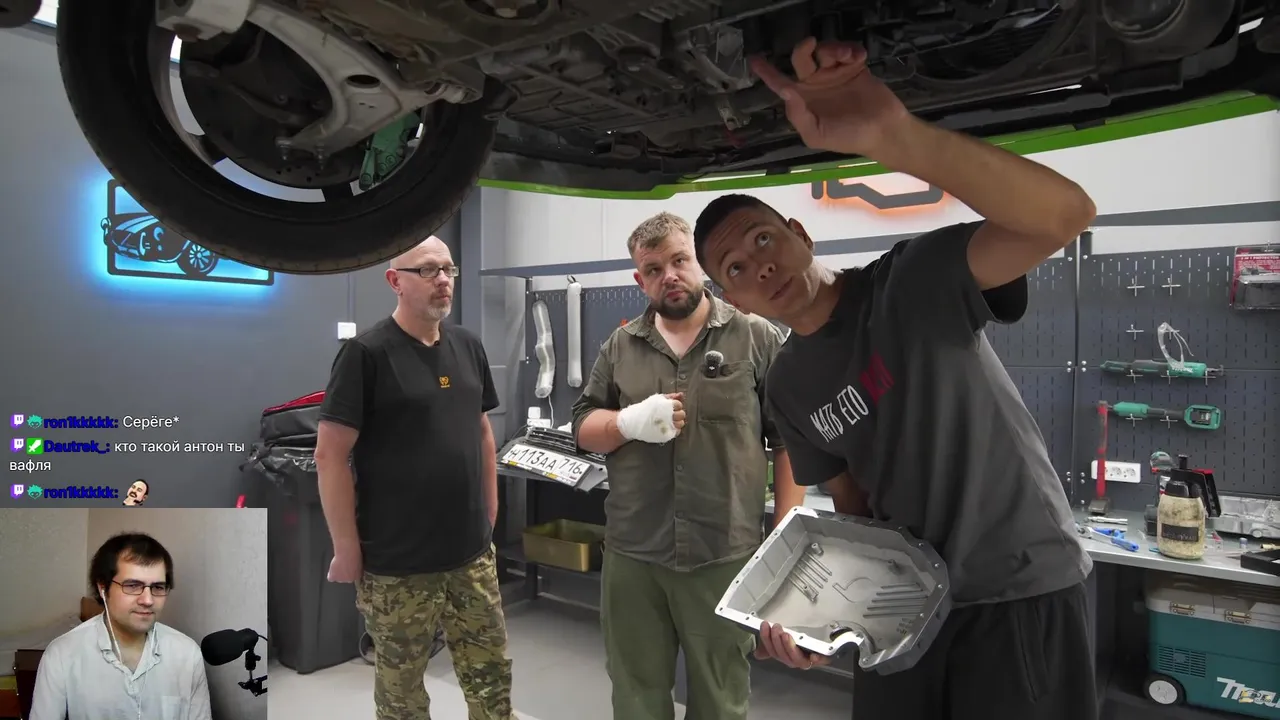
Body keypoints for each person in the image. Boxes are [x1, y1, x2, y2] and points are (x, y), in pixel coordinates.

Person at [691, 38, 1098, 720]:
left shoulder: (911, 282)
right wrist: (820, 618)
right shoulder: (788, 383)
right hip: (904, 613)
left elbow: (1065, 214)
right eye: (735, 268)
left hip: (1018, 590)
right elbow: (856, 516)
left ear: (799, 233)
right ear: (736, 300)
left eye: (762, 239)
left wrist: (897, 138)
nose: (758, 265)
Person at [571, 212, 801, 720]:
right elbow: (583, 425)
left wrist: (784, 543)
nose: (669, 276)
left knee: (720, 698)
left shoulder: (756, 337)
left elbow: (790, 444)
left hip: (722, 556)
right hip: (634, 554)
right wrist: (627, 422)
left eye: (679, 261)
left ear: (700, 263)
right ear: (640, 280)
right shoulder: (620, 346)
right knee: (636, 696)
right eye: (654, 269)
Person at [316, 236, 513, 720]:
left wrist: (490, 508)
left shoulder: (468, 346)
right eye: (427, 270)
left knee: (492, 682)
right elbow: (329, 455)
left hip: (470, 558)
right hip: (398, 566)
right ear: (395, 281)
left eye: (448, 269)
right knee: (401, 696)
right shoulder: (366, 354)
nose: (443, 279)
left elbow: (482, 431)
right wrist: (346, 547)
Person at [30, 533, 212, 720]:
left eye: (158, 587)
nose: (148, 600)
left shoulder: (187, 654)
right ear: (103, 588)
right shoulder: (62, 655)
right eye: (133, 585)